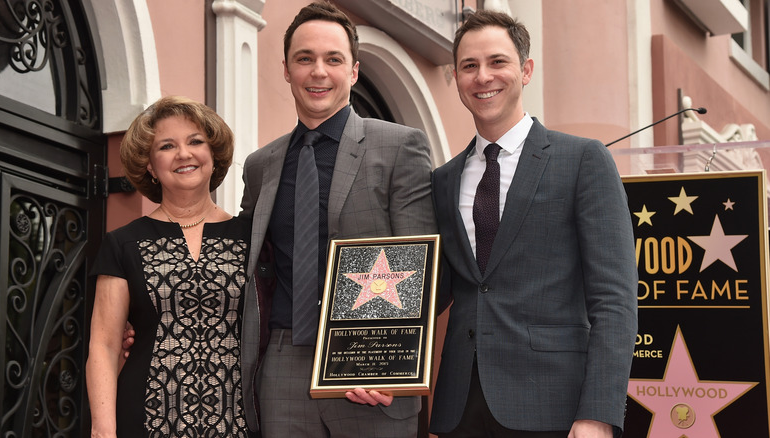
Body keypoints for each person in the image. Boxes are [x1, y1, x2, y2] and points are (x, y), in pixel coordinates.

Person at [429, 9, 637, 438]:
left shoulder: (583, 160)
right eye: (469, 66)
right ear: (455, 78)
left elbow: (614, 299)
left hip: (555, 408)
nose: (483, 76)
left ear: (525, 70)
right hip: (459, 409)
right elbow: (437, 289)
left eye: (497, 62)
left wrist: (598, 412)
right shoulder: (443, 179)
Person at [237, 1, 436, 436]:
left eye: (333, 59)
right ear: (287, 70)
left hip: (369, 365)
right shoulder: (260, 165)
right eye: (304, 59)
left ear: (354, 71)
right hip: (283, 364)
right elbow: (243, 262)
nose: (318, 72)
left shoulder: (399, 147)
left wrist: (390, 363)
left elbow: (422, 267)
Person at [86, 96, 253, 437]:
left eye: (195, 141)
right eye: (167, 146)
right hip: (144, 417)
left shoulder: (253, 238)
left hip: (240, 419)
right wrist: (103, 430)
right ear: (149, 164)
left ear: (213, 154)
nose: (184, 154)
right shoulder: (122, 243)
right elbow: (103, 345)